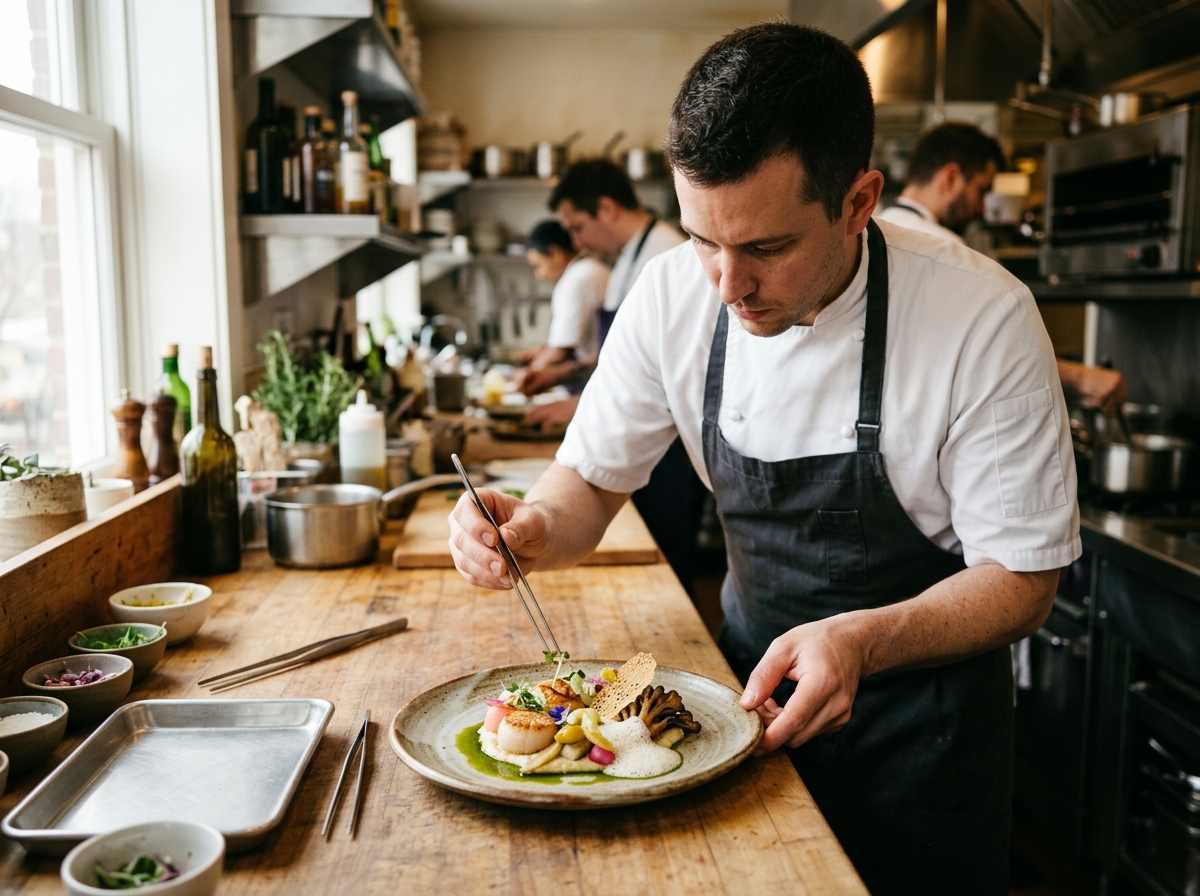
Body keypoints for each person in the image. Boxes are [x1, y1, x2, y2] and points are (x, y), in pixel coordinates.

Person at [450, 23, 1081, 896]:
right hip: (740, 716)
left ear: (859, 202)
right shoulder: (673, 294)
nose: (726, 285)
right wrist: (531, 525)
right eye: (703, 239)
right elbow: (592, 479)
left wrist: (862, 639)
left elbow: (1024, 578)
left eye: (767, 248)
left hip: (925, 748)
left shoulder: (983, 319)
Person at [879, 122, 1127, 414]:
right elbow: (1000, 354)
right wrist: (1082, 376)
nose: (983, 208)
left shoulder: (873, 230)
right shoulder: (948, 252)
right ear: (951, 178)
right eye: (982, 191)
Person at [527, 158, 686, 425]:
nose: (576, 242)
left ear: (606, 209)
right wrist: (559, 375)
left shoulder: (668, 257)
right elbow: (618, 359)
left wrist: (582, 405)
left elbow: (670, 373)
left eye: (577, 227)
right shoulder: (626, 260)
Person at [516, 219, 609, 396]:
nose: (539, 275)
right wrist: (544, 350)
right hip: (599, 375)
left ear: (556, 253)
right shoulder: (592, 268)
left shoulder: (576, 279)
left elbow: (561, 351)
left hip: (593, 383)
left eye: (538, 265)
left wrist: (526, 377)